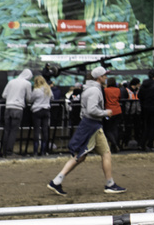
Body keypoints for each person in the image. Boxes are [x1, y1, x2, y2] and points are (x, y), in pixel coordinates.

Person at [47, 66, 126, 196]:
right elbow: (92, 110)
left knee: (81, 156)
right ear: (99, 77)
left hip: (90, 125)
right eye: (105, 75)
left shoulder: (89, 89)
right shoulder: (95, 91)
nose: (106, 77)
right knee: (104, 154)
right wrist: (106, 112)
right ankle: (110, 184)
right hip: (93, 126)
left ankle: (56, 181)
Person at [1, 68, 33, 156]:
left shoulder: (11, 81)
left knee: (7, 130)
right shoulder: (27, 83)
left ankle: (3, 151)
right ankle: (9, 152)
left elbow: (4, 95)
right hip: (18, 109)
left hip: (8, 108)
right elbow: (29, 98)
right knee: (13, 131)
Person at [138, 69, 154, 151]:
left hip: (144, 108)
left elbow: (139, 96)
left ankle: (142, 144)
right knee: (153, 127)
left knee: (145, 126)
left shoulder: (143, 85)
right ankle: (150, 144)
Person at [30, 75, 53, 156]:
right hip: (46, 110)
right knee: (45, 131)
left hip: (37, 110)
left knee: (36, 130)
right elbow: (52, 98)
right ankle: (43, 151)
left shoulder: (36, 90)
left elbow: (31, 99)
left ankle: (35, 151)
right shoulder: (48, 89)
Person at [103, 76, 122, 153]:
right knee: (115, 129)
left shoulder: (105, 90)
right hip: (118, 110)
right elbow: (119, 98)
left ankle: (114, 144)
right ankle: (115, 145)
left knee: (107, 129)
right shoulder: (118, 90)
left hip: (108, 111)